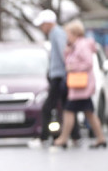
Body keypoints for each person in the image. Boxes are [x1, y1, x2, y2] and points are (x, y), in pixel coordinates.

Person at [28, 9, 80, 148]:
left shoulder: (57, 34)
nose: (41, 27)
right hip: (59, 75)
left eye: (43, 24)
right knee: (65, 107)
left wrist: (66, 70)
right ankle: (75, 136)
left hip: (59, 76)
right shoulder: (55, 34)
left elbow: (64, 53)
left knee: (48, 107)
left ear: (49, 23)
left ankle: (44, 137)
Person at [51, 19, 107, 149]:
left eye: (68, 34)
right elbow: (68, 59)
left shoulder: (82, 45)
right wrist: (68, 50)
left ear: (75, 33)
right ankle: (100, 138)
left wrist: (72, 67)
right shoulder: (76, 46)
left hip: (81, 87)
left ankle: (63, 138)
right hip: (80, 87)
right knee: (89, 113)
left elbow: (88, 63)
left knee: (68, 111)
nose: (67, 37)